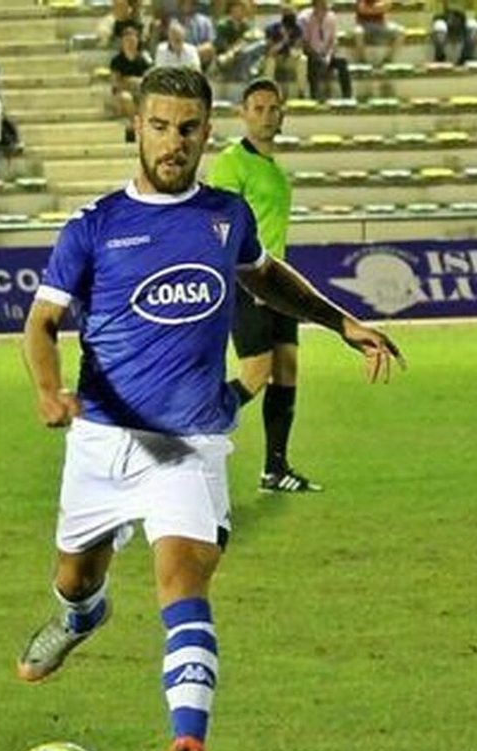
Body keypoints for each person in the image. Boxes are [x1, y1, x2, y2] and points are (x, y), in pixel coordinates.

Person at [14, 66, 402, 751]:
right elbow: (40, 323)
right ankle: (81, 617)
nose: (173, 142)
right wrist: (46, 390)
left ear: (205, 131)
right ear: (138, 126)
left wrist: (339, 320)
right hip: (100, 439)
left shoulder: (224, 216)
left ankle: (186, 746)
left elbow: (266, 280)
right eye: (159, 126)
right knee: (74, 578)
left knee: (181, 582)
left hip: (187, 444)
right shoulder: (92, 225)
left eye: (188, 128)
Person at [208, 79, 320, 492]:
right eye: (258, 108)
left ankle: (275, 469)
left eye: (274, 109)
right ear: (243, 113)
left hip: (278, 283)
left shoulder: (271, 168)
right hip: (248, 280)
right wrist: (243, 273)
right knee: (256, 372)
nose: (267, 116)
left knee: (287, 369)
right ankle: (193, 431)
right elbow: (219, 226)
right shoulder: (232, 162)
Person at [297, 0, 350, 101]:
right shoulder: (305, 18)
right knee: (313, 64)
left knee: (342, 62)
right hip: (311, 53)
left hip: (326, 53)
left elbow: (333, 41)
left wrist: (328, 56)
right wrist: (317, 56)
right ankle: (315, 96)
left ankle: (347, 95)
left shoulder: (331, 17)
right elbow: (304, 42)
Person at [108, 23, 151, 137]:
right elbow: (116, 83)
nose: (130, 43)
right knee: (126, 98)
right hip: (122, 97)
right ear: (122, 42)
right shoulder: (116, 61)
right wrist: (132, 82)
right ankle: (137, 125)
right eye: (127, 40)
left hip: (139, 93)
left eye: (133, 40)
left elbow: (148, 80)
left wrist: (130, 80)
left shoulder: (143, 60)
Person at [352, 0, 403, 66]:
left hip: (381, 24)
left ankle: (388, 59)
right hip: (364, 25)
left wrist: (373, 8)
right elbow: (362, 9)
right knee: (358, 33)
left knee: (400, 31)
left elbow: (387, 5)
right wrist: (377, 8)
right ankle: (362, 60)